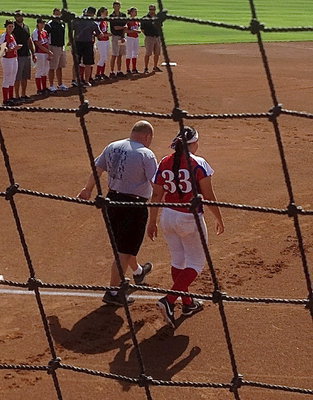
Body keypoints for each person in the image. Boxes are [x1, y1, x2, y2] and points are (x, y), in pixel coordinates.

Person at [147, 126, 225, 328]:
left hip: (168, 217)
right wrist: (219, 218)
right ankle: (170, 300)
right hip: (189, 219)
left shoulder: (164, 161)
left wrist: (152, 221)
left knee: (179, 260)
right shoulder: (198, 163)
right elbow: (208, 196)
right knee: (197, 262)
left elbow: (156, 195)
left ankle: (188, 303)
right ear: (192, 143)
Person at [77, 121, 158, 306]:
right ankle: (113, 292)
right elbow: (157, 186)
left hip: (111, 202)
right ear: (147, 137)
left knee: (123, 242)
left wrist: (87, 189)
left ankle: (138, 272)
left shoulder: (113, 146)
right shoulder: (146, 154)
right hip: (134, 206)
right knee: (124, 250)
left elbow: (97, 169)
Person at [72, 6, 103, 87]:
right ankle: (86, 81)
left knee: (76, 62)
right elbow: (100, 35)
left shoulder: (77, 19)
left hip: (77, 43)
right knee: (88, 64)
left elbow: (71, 28)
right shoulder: (93, 23)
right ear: (93, 13)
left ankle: (74, 80)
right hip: (88, 43)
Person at [12, 10, 36, 102]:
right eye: (18, 16)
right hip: (18, 55)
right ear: (15, 17)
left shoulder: (26, 27)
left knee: (25, 76)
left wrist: (33, 52)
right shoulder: (13, 27)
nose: (20, 17)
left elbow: (29, 40)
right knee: (18, 76)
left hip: (26, 54)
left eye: (21, 15)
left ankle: (23, 94)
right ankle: (17, 96)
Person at [45, 8, 68, 92]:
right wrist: (48, 50)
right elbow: (46, 37)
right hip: (53, 47)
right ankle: (51, 85)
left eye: (59, 14)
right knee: (52, 67)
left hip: (61, 46)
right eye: (56, 14)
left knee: (60, 66)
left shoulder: (62, 23)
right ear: (53, 14)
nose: (58, 15)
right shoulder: (49, 24)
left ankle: (60, 84)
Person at [0, 20, 22, 105]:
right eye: (9, 26)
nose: (11, 28)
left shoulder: (11, 36)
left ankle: (11, 97)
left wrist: (15, 48)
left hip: (13, 58)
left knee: (12, 78)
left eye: (12, 26)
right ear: (6, 27)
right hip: (7, 59)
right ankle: (6, 99)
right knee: (7, 77)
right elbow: (2, 51)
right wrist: (14, 48)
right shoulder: (3, 36)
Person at [32, 18, 53, 94]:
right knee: (40, 70)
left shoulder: (45, 32)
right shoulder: (35, 32)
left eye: (44, 23)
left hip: (45, 53)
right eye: (41, 23)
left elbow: (47, 43)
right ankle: (39, 89)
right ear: (38, 23)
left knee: (45, 70)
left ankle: (44, 88)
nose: (43, 24)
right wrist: (48, 52)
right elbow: (38, 44)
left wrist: (48, 53)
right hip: (39, 53)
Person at [140, 4, 162, 74]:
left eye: (153, 9)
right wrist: (148, 35)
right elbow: (142, 29)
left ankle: (155, 67)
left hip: (157, 37)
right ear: (149, 10)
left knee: (157, 53)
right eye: (151, 9)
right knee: (148, 53)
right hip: (149, 37)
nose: (152, 11)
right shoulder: (145, 18)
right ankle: (146, 68)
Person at [109, 1, 127, 78]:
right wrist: (123, 27)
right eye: (115, 6)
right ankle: (112, 71)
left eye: (118, 6)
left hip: (121, 37)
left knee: (120, 55)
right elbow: (115, 27)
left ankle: (119, 71)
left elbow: (125, 25)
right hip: (115, 37)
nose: (117, 7)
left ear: (120, 7)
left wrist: (123, 36)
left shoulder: (123, 15)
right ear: (113, 7)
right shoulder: (111, 16)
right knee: (114, 55)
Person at [95, 7, 111, 80]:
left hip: (107, 41)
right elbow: (97, 33)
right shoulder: (98, 21)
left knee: (105, 58)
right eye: (105, 12)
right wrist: (108, 34)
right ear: (101, 12)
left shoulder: (105, 21)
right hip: (101, 42)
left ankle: (102, 73)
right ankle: (97, 74)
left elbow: (105, 31)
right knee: (102, 58)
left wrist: (108, 35)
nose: (107, 13)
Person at [125, 7, 141, 74]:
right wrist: (132, 31)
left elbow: (139, 29)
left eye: (136, 11)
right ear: (131, 13)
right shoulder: (128, 20)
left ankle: (134, 68)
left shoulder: (137, 21)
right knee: (129, 53)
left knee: (135, 53)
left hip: (136, 38)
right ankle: (128, 69)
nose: (136, 13)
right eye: (134, 11)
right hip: (130, 38)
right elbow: (125, 30)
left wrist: (138, 31)